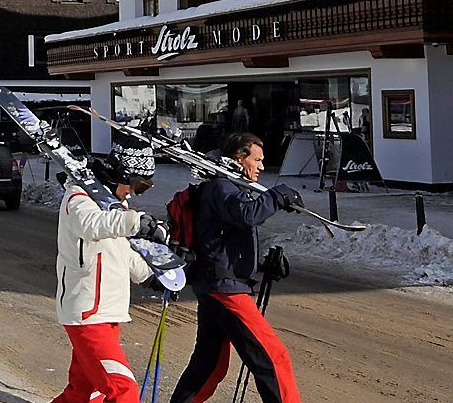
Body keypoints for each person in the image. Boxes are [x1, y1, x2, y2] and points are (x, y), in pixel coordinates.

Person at [170, 132, 304, 403]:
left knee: (209, 364)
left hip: (217, 282)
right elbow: (246, 214)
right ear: (239, 158)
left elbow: (225, 234)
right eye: (258, 159)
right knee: (273, 358)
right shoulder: (222, 186)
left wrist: (258, 263)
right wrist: (278, 196)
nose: (262, 167)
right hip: (224, 289)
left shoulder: (225, 186)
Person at [51, 135, 168, 403]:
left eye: (144, 188)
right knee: (122, 390)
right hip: (87, 312)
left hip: (108, 311)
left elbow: (120, 251)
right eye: (136, 185)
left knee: (82, 393)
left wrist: (151, 276)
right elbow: (93, 225)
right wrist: (137, 222)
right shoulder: (79, 197)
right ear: (120, 174)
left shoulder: (115, 207)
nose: (133, 193)